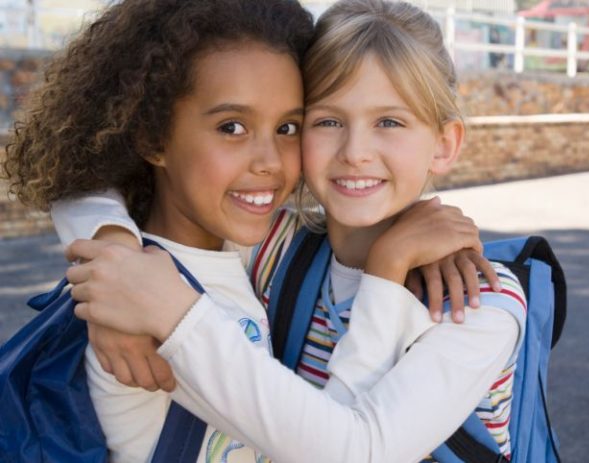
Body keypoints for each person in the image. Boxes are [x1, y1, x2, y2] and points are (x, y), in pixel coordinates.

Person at [6, 1, 525, 462]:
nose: (356, 151)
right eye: (325, 122)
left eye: (389, 122)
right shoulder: (278, 248)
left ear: (444, 143)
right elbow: (90, 183)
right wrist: (114, 261)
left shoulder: (478, 305)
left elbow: (356, 450)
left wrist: (388, 269)